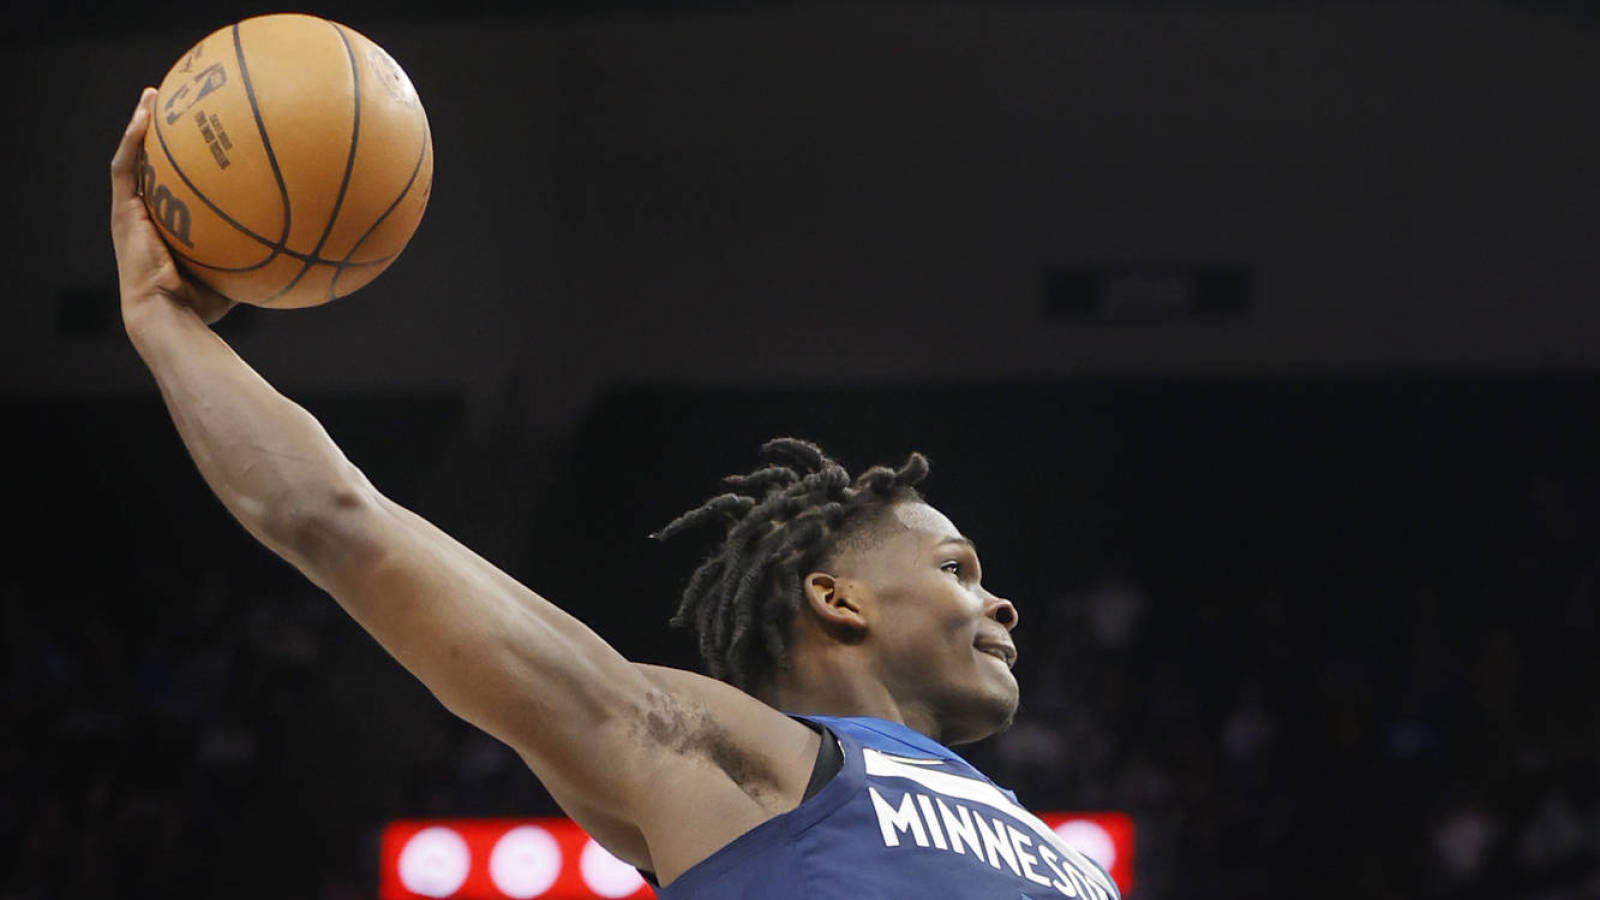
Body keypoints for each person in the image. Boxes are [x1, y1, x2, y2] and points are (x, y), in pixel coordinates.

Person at [109, 88, 1118, 899]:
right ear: (837, 599)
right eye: (956, 569)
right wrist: (161, 318)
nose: (999, 601)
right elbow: (337, 520)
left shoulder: (1066, 858)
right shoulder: (733, 760)